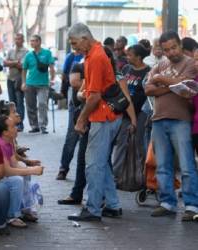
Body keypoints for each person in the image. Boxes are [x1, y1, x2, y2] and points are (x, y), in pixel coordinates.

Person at [66, 23, 123, 222]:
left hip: (103, 116)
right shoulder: (93, 54)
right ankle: (113, 205)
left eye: (75, 43)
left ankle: (93, 209)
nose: (74, 48)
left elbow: (95, 97)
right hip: (106, 115)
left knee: (93, 164)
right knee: (101, 162)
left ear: (84, 38)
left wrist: (81, 120)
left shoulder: (96, 57)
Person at [145, 31, 198, 221]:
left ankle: (192, 206)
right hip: (158, 119)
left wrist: (160, 80)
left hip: (181, 119)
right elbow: (147, 88)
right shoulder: (161, 64)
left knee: (186, 165)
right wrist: (170, 86)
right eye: (166, 49)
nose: (170, 52)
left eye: (173, 47)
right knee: (163, 165)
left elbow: (186, 84)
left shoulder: (190, 63)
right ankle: (167, 203)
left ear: (180, 45)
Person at [0, 115, 44, 227]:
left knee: (23, 171)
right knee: (17, 180)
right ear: (5, 132)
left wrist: (29, 169)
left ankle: (23, 208)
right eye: (13, 126)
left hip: (1, 176)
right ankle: (11, 216)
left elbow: (14, 164)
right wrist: (32, 170)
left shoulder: (8, 142)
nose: (17, 128)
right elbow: (7, 171)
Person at [112, 44, 151, 174]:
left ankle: (143, 175)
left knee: (140, 143)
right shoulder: (126, 68)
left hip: (141, 113)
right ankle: (116, 174)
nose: (127, 57)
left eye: (130, 55)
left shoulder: (148, 71)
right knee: (121, 142)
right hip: (125, 112)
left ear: (139, 57)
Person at [56, 50, 83, 180]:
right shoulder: (72, 57)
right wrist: (63, 90)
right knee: (72, 135)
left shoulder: (94, 58)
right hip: (76, 101)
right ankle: (63, 168)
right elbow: (66, 76)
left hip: (92, 101)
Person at [22, 34, 55, 134]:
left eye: (34, 41)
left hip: (43, 84)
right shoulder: (28, 55)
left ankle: (43, 125)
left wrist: (52, 79)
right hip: (30, 83)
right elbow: (24, 70)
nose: (32, 43)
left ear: (39, 42)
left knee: (42, 104)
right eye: (31, 41)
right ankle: (34, 125)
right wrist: (23, 82)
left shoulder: (47, 53)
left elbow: (51, 67)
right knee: (30, 105)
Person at [4, 33, 28, 131]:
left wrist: (11, 63)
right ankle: (13, 123)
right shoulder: (10, 50)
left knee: (19, 102)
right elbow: (5, 63)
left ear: (23, 40)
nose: (17, 40)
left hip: (19, 79)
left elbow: (22, 65)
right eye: (16, 39)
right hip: (10, 78)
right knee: (11, 103)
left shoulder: (26, 51)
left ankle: (20, 124)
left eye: (19, 39)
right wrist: (15, 62)